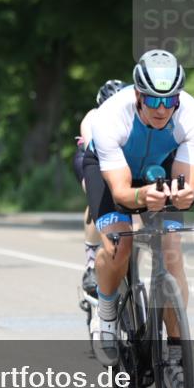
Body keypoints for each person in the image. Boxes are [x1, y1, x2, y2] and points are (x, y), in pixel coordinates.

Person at [83, 50, 194, 385]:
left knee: (171, 252)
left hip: (159, 166)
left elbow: (187, 184)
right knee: (118, 246)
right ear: (138, 94)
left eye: (170, 100)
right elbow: (122, 192)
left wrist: (185, 195)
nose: (162, 109)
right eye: (153, 99)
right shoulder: (111, 117)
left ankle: (175, 353)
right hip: (112, 172)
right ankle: (106, 314)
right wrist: (142, 197)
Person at [75, 79, 126, 297]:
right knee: (99, 196)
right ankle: (91, 261)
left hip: (120, 158)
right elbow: (95, 152)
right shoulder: (92, 117)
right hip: (92, 156)